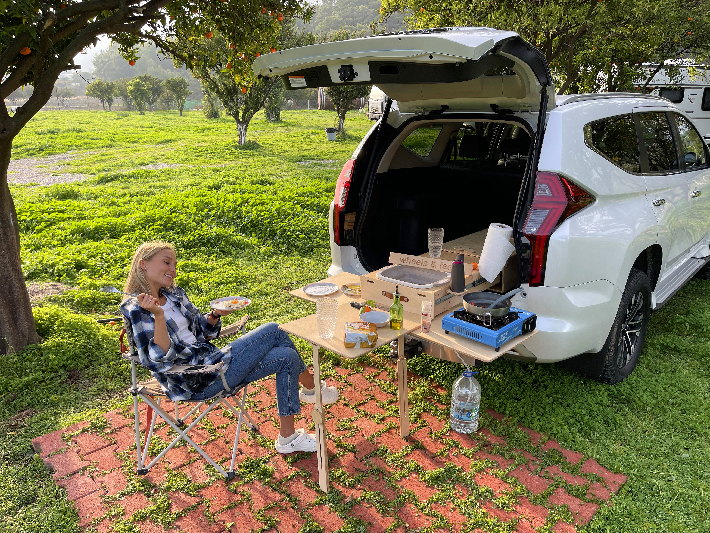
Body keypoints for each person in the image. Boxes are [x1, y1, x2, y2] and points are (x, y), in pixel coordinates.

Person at [119, 241, 338, 454]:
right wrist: (158, 316)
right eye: (167, 263)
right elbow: (160, 360)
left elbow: (203, 333)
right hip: (195, 378)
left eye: (175, 265)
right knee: (273, 329)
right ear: (143, 264)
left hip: (212, 360)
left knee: (286, 356)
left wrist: (215, 315)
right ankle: (312, 389)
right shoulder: (136, 308)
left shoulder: (174, 295)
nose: (173, 270)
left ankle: (288, 439)